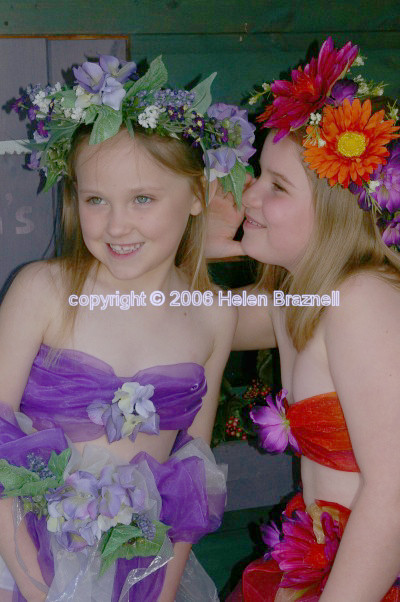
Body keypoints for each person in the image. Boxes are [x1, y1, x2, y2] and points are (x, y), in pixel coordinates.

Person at [0, 55, 256, 602]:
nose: (117, 225)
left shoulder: (213, 315)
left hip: (136, 570)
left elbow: (191, 472)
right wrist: (33, 586)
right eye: (96, 200)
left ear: (196, 196)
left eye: (142, 199)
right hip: (18, 559)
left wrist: (161, 591)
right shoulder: (43, 291)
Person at [208, 38, 400, 601]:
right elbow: (191, 321)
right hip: (321, 561)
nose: (250, 194)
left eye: (277, 186)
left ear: (333, 213)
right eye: (257, 175)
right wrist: (212, 239)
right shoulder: (302, 298)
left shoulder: (363, 298)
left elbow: (394, 488)